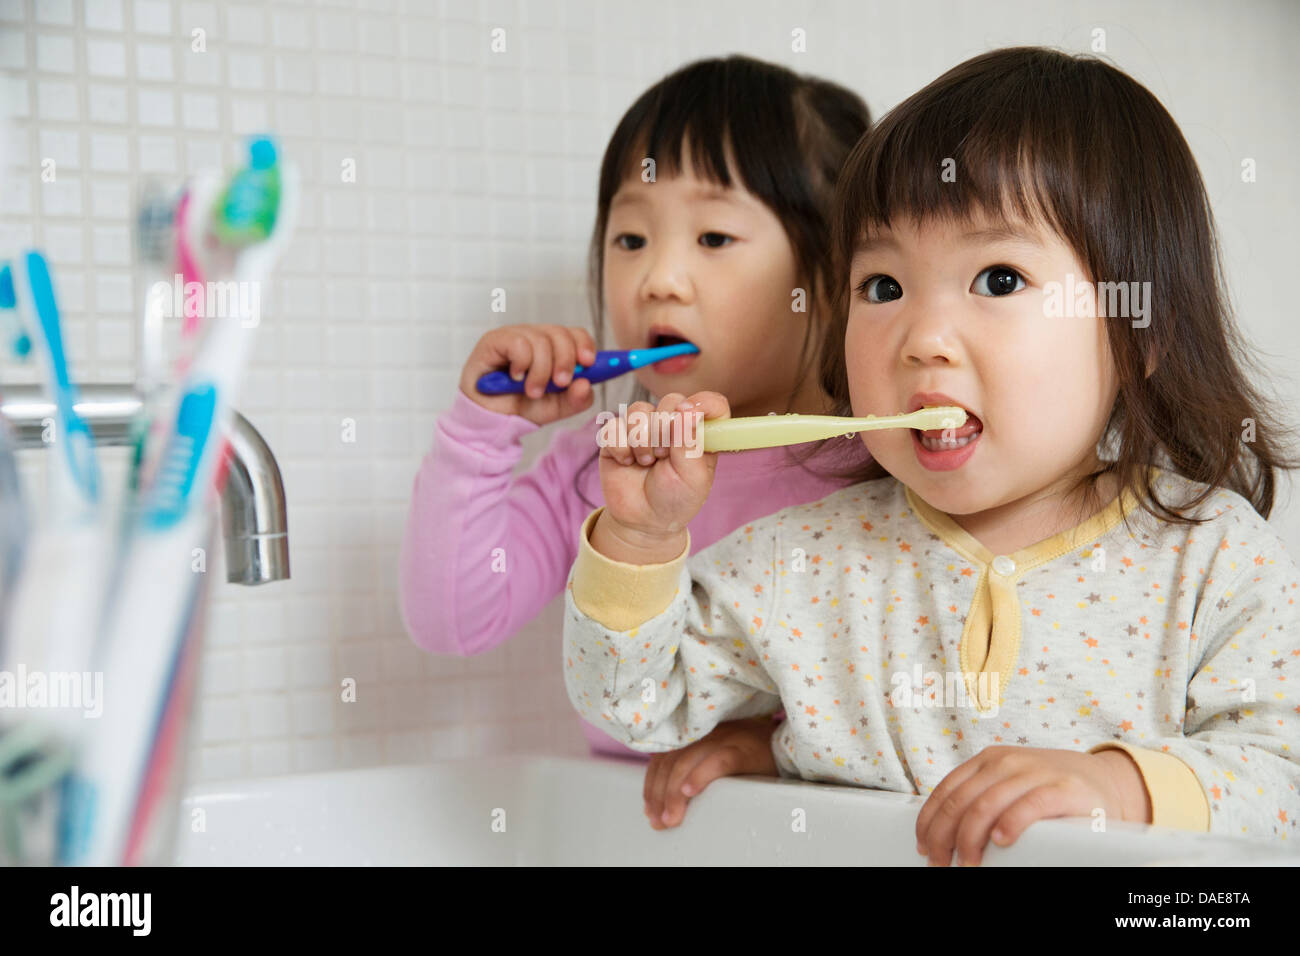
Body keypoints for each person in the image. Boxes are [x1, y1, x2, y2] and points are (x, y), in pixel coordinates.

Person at [563, 46, 1300, 864]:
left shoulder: (1216, 561)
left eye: (997, 279)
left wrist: (1121, 787)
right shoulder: (802, 558)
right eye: (883, 287)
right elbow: (631, 703)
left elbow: (1285, 785)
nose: (923, 340)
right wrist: (639, 541)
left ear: (1140, 331)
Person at [400, 55, 874, 762]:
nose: (658, 280)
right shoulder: (595, 468)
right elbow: (450, 623)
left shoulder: (878, 468)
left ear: (833, 273)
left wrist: (765, 747)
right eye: (630, 240)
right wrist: (482, 431)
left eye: (713, 238)